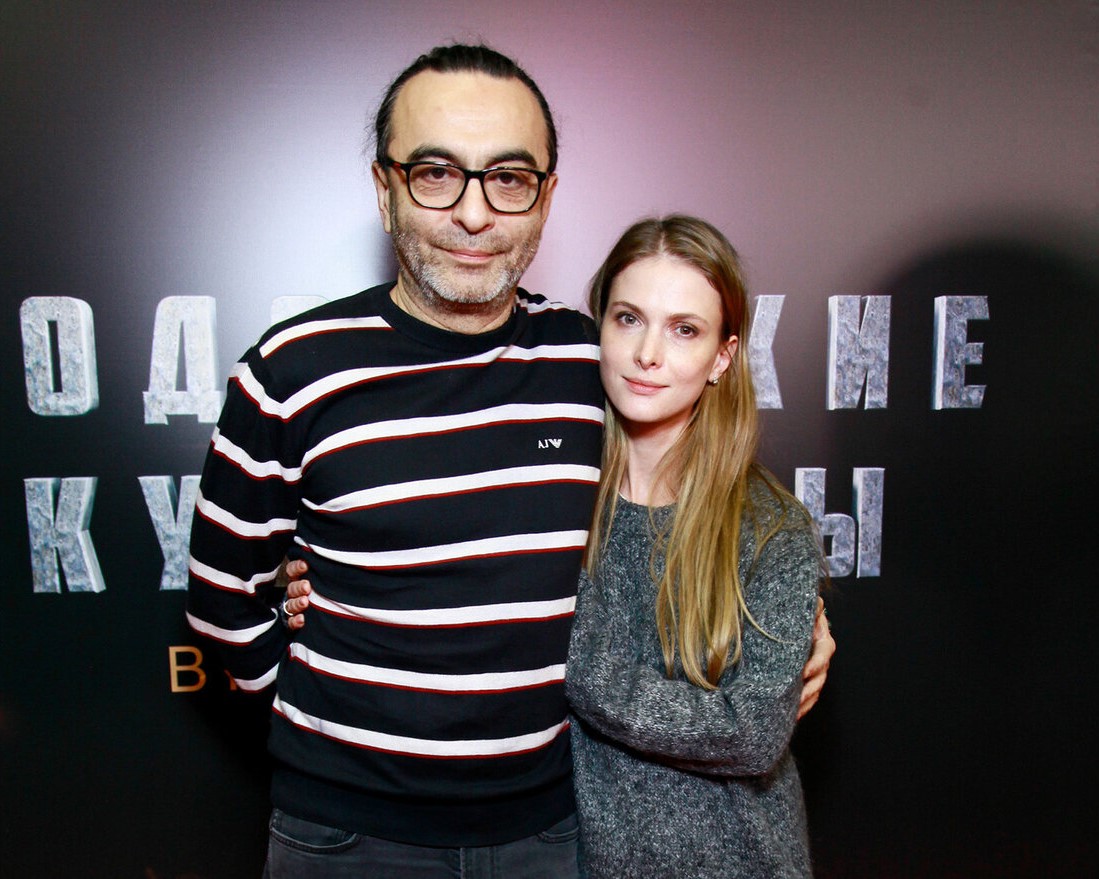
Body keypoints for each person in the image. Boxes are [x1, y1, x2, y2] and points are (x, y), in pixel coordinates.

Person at [188, 44, 833, 878]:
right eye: (434, 173)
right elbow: (222, 597)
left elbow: (702, 497)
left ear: (545, 196)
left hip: (550, 834)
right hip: (345, 835)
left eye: (507, 178)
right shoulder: (291, 369)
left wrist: (796, 623)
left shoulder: (593, 362)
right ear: (384, 188)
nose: (473, 213)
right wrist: (317, 711)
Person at [564, 215, 821, 877]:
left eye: (684, 329)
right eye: (628, 319)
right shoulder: (555, 501)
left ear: (722, 357)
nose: (648, 353)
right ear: (599, 328)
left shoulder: (770, 528)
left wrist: (571, 660)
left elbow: (753, 732)